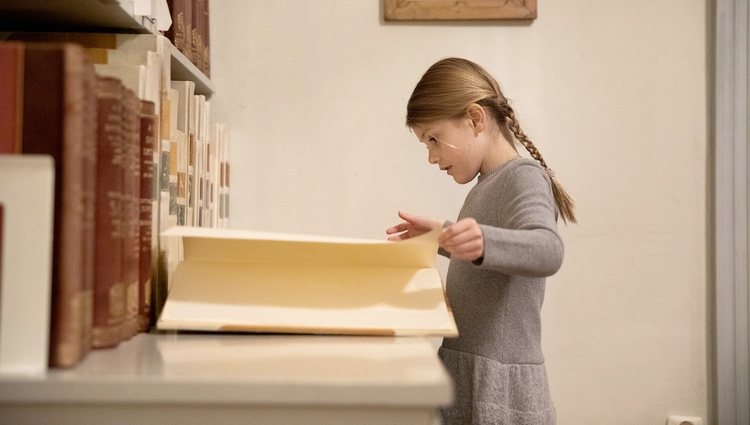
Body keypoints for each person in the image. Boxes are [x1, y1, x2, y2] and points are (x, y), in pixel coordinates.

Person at [386, 57, 576, 425]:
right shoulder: (486, 185)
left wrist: (483, 241)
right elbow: (489, 256)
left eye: (434, 139)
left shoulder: (523, 176)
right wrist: (440, 237)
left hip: (498, 384)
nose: (430, 156)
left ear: (475, 119)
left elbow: (547, 249)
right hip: (466, 366)